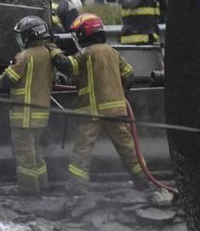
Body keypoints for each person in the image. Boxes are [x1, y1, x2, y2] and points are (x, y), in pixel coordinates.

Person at [51, 14, 150, 190]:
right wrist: (118, 90)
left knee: (83, 148)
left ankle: (77, 186)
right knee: (127, 147)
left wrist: (53, 49)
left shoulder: (87, 54)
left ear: (85, 33)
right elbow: (129, 75)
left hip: (91, 111)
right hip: (116, 111)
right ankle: (143, 181)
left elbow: (67, 66)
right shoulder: (113, 52)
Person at [0, 16, 56, 194]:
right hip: (41, 115)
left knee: (24, 155)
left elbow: (8, 79)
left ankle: (28, 190)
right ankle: (43, 185)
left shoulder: (24, 56)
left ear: (30, 36)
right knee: (36, 152)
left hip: (24, 116)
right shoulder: (47, 53)